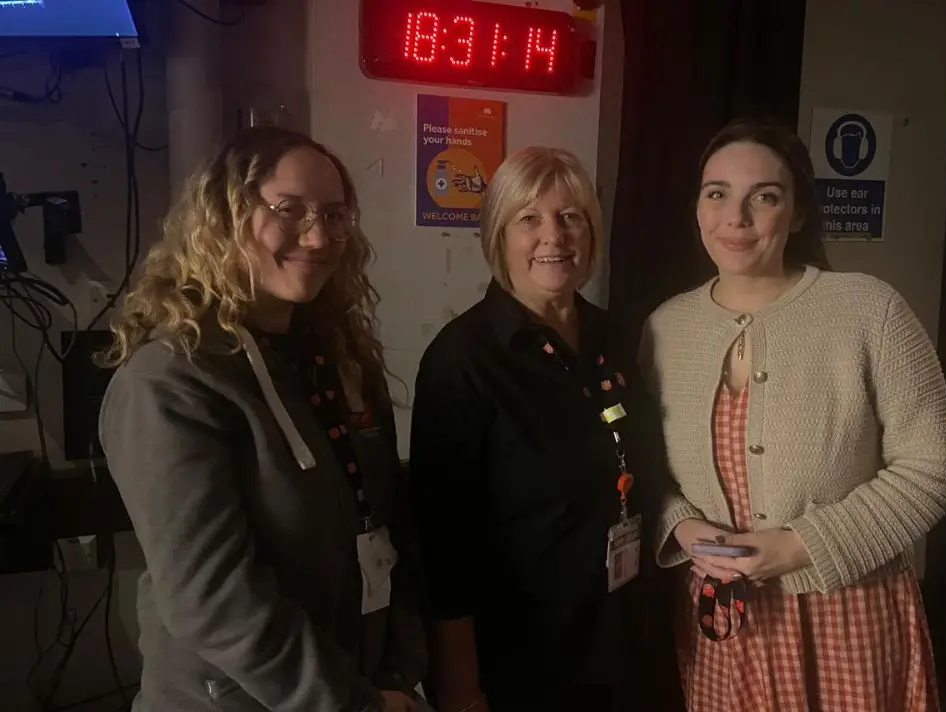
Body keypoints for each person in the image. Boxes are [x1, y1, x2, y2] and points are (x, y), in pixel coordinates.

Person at [97, 127, 427, 712]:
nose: (318, 235)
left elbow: (387, 522)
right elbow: (213, 599)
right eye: (288, 210)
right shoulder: (169, 383)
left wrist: (398, 671)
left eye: (334, 214)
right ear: (224, 218)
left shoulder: (339, 358)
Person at [638, 117, 946, 711]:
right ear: (698, 209)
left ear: (799, 214)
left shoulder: (869, 311)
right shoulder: (664, 328)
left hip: (848, 611)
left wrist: (801, 545)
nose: (736, 217)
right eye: (717, 194)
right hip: (722, 622)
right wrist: (682, 526)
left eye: (764, 196)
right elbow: (647, 470)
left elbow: (933, 467)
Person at [408, 147, 662, 712]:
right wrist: (461, 686)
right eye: (530, 220)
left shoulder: (613, 336)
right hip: (522, 662)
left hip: (620, 639)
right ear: (499, 235)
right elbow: (444, 543)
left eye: (570, 217)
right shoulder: (463, 360)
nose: (554, 236)